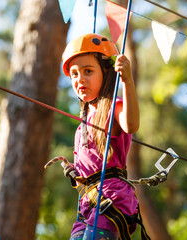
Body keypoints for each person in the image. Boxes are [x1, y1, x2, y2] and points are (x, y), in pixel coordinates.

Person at [62, 33, 145, 240]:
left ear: (107, 73)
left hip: (111, 199)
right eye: (74, 74)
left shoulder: (113, 108)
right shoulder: (83, 123)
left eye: (88, 71)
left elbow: (131, 124)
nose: (79, 78)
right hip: (88, 204)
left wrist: (127, 81)